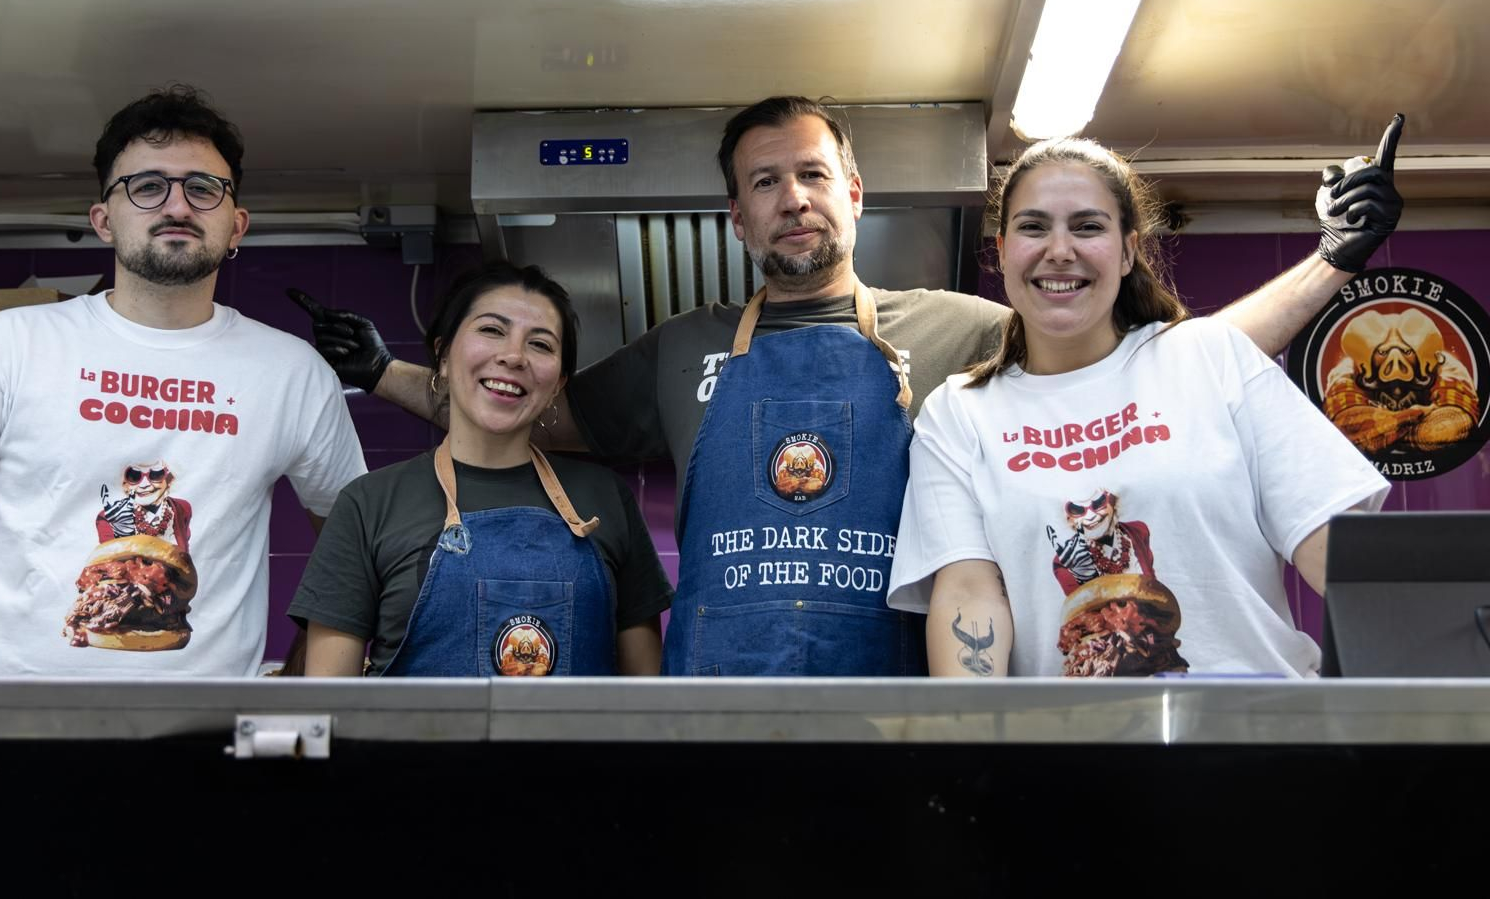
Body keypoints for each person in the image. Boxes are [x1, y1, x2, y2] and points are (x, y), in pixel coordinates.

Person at [292, 97, 1403, 677]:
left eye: (812, 174)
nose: (793, 198)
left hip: (890, 705)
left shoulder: (965, 332)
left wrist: (1331, 266)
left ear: (855, 192)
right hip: (716, 708)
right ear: (736, 217)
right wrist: (386, 372)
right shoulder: (680, 347)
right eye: (764, 183)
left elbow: (1160, 363)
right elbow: (514, 403)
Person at [0, 85, 367, 675]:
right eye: (147, 186)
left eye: (203, 188)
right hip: (6, 718)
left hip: (206, 725)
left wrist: (301, 687)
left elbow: (356, 555)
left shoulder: (293, 372)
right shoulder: (6, 345)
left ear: (236, 225)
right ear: (104, 220)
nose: (177, 206)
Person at [885, 136, 1392, 678]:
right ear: (1003, 250)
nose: (1060, 250)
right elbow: (969, 594)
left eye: (1087, 227)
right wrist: (969, 732)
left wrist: (1422, 701)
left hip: (1263, 720)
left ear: (1128, 251)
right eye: (1034, 227)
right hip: (1072, 731)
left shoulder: (1212, 357)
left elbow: (1334, 552)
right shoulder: (959, 414)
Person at [290, 263, 671, 676]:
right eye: (492, 330)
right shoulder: (369, 504)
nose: (514, 356)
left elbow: (648, 700)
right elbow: (328, 703)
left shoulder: (606, 499)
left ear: (559, 384)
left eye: (540, 344)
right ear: (443, 355)